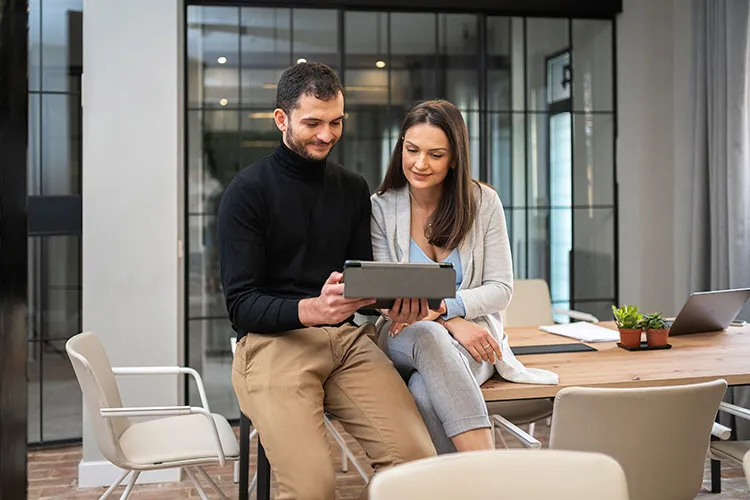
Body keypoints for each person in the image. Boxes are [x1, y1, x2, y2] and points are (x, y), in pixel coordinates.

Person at [218, 63, 436, 500]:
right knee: (313, 488)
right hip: (272, 345)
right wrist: (311, 309)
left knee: (418, 467)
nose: (326, 134)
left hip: (345, 342)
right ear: (281, 119)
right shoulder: (247, 192)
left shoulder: (353, 188)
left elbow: (360, 280)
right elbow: (240, 305)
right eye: (312, 123)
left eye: (336, 122)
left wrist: (395, 302)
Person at [371, 99, 514, 454]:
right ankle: (487, 474)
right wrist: (449, 321)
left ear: (454, 158)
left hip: (474, 342)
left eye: (435, 154)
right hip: (403, 334)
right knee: (429, 335)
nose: (420, 163)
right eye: (412, 150)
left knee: (422, 390)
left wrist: (445, 309)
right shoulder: (380, 207)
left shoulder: (483, 203)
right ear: (401, 145)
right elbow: (385, 297)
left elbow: (501, 289)